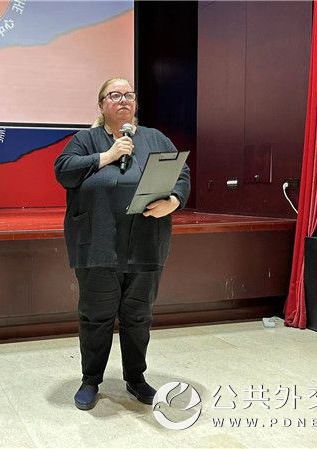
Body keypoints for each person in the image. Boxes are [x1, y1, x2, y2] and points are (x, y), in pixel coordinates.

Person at [54, 78, 191, 410]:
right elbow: (63, 171)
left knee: (138, 316)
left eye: (129, 94)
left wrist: (174, 200)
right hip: (98, 245)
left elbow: (181, 173)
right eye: (114, 95)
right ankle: (90, 380)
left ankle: (136, 379)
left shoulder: (155, 138)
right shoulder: (86, 140)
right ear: (102, 105)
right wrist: (107, 155)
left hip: (146, 243)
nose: (123, 100)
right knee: (96, 316)